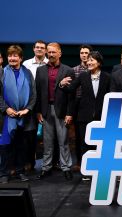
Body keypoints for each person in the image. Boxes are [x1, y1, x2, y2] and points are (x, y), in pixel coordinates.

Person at [59, 51, 110, 181]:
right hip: (83, 116)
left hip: (101, 116)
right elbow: (71, 89)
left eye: (92, 60)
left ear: (99, 62)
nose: (89, 62)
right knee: (84, 144)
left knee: (99, 144)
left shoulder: (107, 77)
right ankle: (86, 170)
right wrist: (62, 84)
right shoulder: (82, 76)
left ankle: (99, 170)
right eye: (88, 60)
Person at [35, 42, 75, 181]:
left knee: (63, 141)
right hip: (45, 110)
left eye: (54, 52)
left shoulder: (68, 70)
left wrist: (70, 113)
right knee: (47, 142)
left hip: (62, 111)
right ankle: (46, 168)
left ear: (60, 53)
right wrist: (38, 111)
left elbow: (71, 95)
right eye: (49, 52)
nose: (51, 54)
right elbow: (38, 93)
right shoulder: (40, 71)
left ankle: (66, 168)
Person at [0, 45, 36, 184]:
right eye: (10, 55)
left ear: (21, 58)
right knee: (5, 146)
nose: (12, 58)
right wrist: (6, 109)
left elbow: (33, 94)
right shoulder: (2, 72)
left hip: (23, 116)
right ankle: (4, 173)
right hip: (6, 116)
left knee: (21, 145)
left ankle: (20, 171)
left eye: (15, 56)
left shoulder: (27, 73)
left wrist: (27, 109)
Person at [23, 40, 48, 172]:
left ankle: (50, 164)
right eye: (37, 47)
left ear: (45, 50)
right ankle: (29, 163)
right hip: (30, 104)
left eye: (42, 48)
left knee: (49, 136)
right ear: (33, 49)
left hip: (46, 103)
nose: (39, 49)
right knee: (30, 135)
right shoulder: (26, 64)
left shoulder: (49, 63)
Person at [72, 44, 93, 171]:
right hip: (77, 105)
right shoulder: (74, 70)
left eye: (86, 53)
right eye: (82, 53)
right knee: (79, 136)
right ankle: (79, 162)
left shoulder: (95, 69)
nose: (84, 55)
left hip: (91, 106)